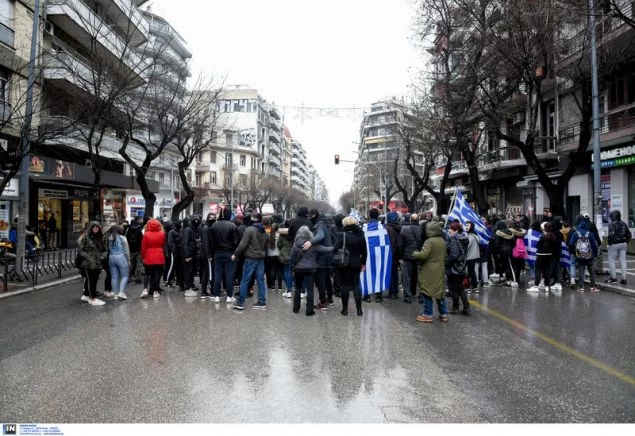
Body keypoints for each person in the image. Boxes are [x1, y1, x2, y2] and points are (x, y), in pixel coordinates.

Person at [290, 225, 333, 316]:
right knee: (310, 289)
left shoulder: (294, 245)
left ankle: (296, 308)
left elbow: (292, 258)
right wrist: (337, 246)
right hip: (311, 269)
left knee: (298, 289)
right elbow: (327, 249)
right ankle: (309, 310)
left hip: (298, 269)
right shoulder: (313, 245)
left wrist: (292, 266)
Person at [232, 216, 272, 310]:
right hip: (261, 259)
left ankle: (240, 303)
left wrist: (235, 254)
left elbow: (242, 245)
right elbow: (267, 249)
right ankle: (262, 302)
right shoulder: (266, 233)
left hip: (250, 258)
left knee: (245, 280)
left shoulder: (250, 230)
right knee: (261, 280)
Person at [412, 220, 448, 323]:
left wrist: (415, 253)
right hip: (440, 269)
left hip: (429, 270)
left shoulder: (429, 241)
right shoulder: (442, 240)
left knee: (427, 291)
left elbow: (424, 255)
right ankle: (443, 314)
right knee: (439, 293)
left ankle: (428, 314)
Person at [331, 216, 367, 316]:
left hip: (344, 263)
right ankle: (359, 310)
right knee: (356, 285)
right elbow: (364, 251)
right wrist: (363, 263)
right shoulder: (361, 234)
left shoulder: (342, 234)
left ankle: (345, 310)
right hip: (357, 262)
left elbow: (335, 248)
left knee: (345, 285)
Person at [302, 209, 333, 310]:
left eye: (309, 216)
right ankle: (330, 299)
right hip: (327, 255)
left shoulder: (319, 225)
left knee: (320, 280)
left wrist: (310, 242)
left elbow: (320, 236)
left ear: (314, 216)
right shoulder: (325, 223)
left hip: (322, 256)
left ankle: (323, 302)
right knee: (327, 279)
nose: (309, 218)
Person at [361, 208, 392, 303]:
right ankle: (379, 296)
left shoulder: (364, 227)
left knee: (367, 273)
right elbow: (387, 243)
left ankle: (367, 296)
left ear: (369, 215)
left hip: (368, 253)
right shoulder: (383, 227)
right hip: (380, 253)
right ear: (378, 216)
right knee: (379, 271)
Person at [210, 207, 239, 303]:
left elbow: (211, 242)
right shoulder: (232, 226)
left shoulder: (214, 226)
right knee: (229, 275)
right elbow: (235, 241)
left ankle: (217, 295)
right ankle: (229, 296)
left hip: (217, 253)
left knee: (217, 275)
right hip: (229, 253)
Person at [78, 222, 107, 306]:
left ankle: (86, 295)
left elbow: (105, 249)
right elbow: (81, 250)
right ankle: (93, 298)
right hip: (88, 263)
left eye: (97, 227)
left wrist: (102, 256)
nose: (95, 229)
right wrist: (89, 257)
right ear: (91, 228)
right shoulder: (86, 237)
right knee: (91, 280)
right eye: (94, 227)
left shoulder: (102, 237)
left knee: (93, 279)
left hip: (98, 262)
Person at [568, 217, 599, 293]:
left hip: (580, 256)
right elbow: (594, 245)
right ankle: (592, 287)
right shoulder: (590, 234)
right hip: (590, 256)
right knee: (592, 271)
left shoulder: (576, 234)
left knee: (581, 270)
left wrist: (575, 251)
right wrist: (595, 255)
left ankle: (581, 287)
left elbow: (571, 244)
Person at [527, 223, 559, 293]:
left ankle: (536, 286)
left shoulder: (543, 236)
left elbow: (538, 245)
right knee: (547, 270)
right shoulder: (553, 236)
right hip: (549, 256)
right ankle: (547, 286)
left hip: (540, 255)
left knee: (538, 270)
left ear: (545, 228)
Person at [446, 222, 470, 315]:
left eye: (450, 229)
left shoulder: (454, 240)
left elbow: (454, 255)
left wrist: (446, 262)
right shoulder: (464, 239)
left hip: (454, 268)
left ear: (455, 231)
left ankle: (455, 308)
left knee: (454, 288)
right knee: (460, 288)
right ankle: (466, 307)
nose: (449, 231)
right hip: (461, 266)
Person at [140, 218, 166, 299]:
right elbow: (163, 245)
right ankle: (155, 291)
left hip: (148, 255)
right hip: (159, 255)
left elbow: (143, 247)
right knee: (157, 274)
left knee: (147, 273)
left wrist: (143, 257)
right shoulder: (162, 234)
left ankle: (145, 289)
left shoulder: (146, 234)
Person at [399, 213, 421, 304]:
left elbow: (401, 245)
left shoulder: (405, 230)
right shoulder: (422, 230)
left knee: (407, 276)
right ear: (418, 220)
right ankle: (416, 293)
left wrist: (400, 256)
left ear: (410, 220)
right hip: (420, 256)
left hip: (407, 256)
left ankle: (407, 296)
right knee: (418, 276)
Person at [606, 210, 631, 285]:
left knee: (611, 260)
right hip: (623, 243)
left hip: (614, 244)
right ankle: (624, 278)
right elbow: (629, 235)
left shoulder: (611, 224)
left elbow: (611, 235)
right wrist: (626, 241)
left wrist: (609, 243)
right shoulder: (624, 224)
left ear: (613, 216)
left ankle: (613, 278)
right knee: (623, 260)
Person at [106, 225, 130, 300]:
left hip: (111, 257)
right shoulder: (122, 238)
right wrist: (128, 260)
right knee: (125, 276)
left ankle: (115, 294)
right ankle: (121, 292)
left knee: (114, 277)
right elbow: (126, 251)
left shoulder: (109, 238)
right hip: (121, 257)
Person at [181, 215, 202, 297]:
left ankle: (189, 288)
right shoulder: (188, 230)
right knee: (187, 272)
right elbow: (185, 244)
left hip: (191, 254)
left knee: (190, 272)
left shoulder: (191, 230)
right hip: (188, 255)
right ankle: (188, 289)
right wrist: (187, 255)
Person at [385, 211, 402, 300]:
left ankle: (392, 292)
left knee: (390, 274)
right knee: (395, 273)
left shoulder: (387, 228)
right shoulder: (399, 228)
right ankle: (395, 292)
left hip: (390, 253)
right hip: (397, 254)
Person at [277, 223, 294, 298]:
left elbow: (278, 244)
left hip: (284, 255)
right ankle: (292, 287)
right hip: (293, 254)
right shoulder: (294, 233)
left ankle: (288, 290)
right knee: (291, 272)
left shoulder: (282, 234)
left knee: (286, 272)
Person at [125, 217, 144, 283]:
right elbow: (142, 240)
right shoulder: (140, 230)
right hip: (139, 249)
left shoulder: (128, 229)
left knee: (130, 264)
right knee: (139, 264)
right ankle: (138, 278)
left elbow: (126, 239)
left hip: (131, 249)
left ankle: (127, 278)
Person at [465, 221, 481, 294]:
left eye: (468, 225)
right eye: (466, 225)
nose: (466, 227)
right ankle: (475, 287)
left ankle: (467, 287)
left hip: (469, 256)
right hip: (474, 256)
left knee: (468, 272)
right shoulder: (475, 235)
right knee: (472, 271)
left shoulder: (470, 236)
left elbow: (467, 246)